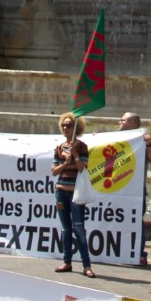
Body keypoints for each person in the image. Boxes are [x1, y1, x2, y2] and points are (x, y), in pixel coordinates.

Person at [119, 109, 151, 267]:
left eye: (122, 120)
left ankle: (139, 253)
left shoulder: (141, 139)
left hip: (135, 190)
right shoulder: (113, 138)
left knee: (136, 222)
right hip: (115, 190)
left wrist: (149, 144)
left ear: (131, 123)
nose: (119, 122)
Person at [53, 112, 93, 276]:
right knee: (65, 229)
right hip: (61, 192)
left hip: (75, 193)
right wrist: (66, 162)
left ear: (76, 128)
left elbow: (82, 168)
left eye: (69, 125)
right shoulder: (59, 148)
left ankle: (86, 265)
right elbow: (54, 171)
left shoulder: (82, 146)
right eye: (63, 125)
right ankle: (66, 262)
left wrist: (75, 155)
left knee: (79, 229)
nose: (65, 128)